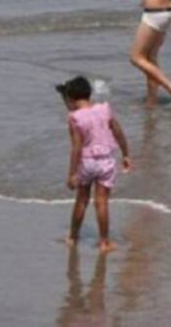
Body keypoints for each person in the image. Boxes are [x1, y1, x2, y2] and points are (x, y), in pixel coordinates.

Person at [57, 75, 132, 253]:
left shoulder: (75, 117)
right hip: (106, 161)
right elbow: (118, 131)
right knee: (102, 202)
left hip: (87, 162)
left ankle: (73, 237)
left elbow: (76, 147)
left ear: (70, 99)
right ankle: (105, 242)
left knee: (82, 201)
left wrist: (71, 174)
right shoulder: (104, 109)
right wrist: (126, 154)